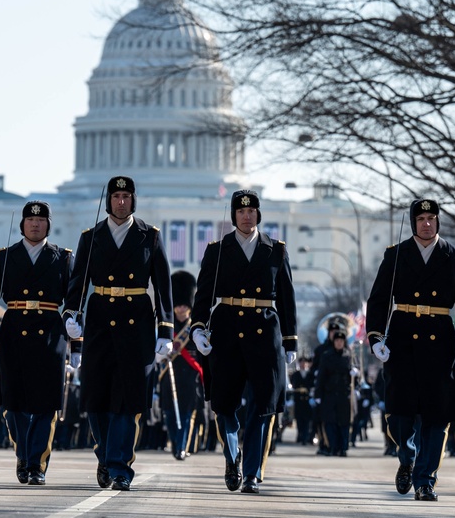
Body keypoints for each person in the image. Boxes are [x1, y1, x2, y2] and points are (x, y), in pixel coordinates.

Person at [63, 176, 175, 492]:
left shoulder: (149, 237)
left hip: (136, 322)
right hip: (100, 321)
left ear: (133, 200)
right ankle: (105, 454)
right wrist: (71, 314)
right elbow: (78, 282)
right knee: (96, 400)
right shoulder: (91, 237)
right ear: (109, 200)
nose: (121, 202)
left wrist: (165, 329)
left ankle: (121, 467)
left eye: (126, 196)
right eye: (116, 196)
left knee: (127, 401)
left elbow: (164, 286)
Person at [366, 199, 455, 502]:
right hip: (402, 340)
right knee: (400, 417)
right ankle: (407, 456)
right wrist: (376, 338)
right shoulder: (396, 255)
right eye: (421, 218)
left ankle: (425, 480)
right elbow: (378, 300)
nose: (427, 223)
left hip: (440, 343)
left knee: (436, 417)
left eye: (432, 218)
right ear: (413, 222)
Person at [190, 189, 298, 494]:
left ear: (258, 215)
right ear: (234, 215)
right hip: (226, 330)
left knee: (262, 407)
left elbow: (287, 298)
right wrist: (198, 327)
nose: (247, 216)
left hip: (265, 331)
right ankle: (232, 454)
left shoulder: (275, 250)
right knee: (225, 403)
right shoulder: (218, 250)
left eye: (251, 211)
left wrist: (290, 340)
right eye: (241, 212)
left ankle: (251, 472)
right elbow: (203, 294)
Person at [0, 200, 73, 485]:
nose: (35, 224)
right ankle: (23, 454)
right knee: (14, 402)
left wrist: (74, 332)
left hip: (50, 333)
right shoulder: (5, 256)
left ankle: (37, 464)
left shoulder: (63, 257)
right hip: (14, 330)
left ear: (48, 225)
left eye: (41, 220)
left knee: (46, 403)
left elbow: (74, 298)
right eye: (31, 220)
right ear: (22, 224)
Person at [159, 270, 204, 461]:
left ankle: (181, 446)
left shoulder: (194, 327)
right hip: (169, 374)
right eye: (178, 306)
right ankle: (176, 442)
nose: (181, 309)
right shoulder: (166, 326)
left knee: (187, 415)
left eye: (185, 306)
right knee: (169, 413)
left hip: (189, 376)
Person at [314, 326, 357, 456]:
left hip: (344, 394)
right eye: (337, 340)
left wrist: (356, 375)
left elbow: (355, 375)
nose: (339, 342)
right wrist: (318, 394)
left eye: (341, 341)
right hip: (330, 394)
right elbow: (321, 376)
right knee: (330, 422)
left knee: (344, 423)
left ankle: (343, 448)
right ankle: (333, 446)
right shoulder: (327, 356)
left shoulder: (349, 356)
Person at [290, 357, 315, 445]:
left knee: (307, 420)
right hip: (298, 400)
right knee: (299, 419)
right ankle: (300, 435)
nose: (303, 364)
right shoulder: (296, 374)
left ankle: (305, 437)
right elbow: (293, 386)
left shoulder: (310, 374)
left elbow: (312, 386)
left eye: (305, 363)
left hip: (307, 400)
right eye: (301, 363)